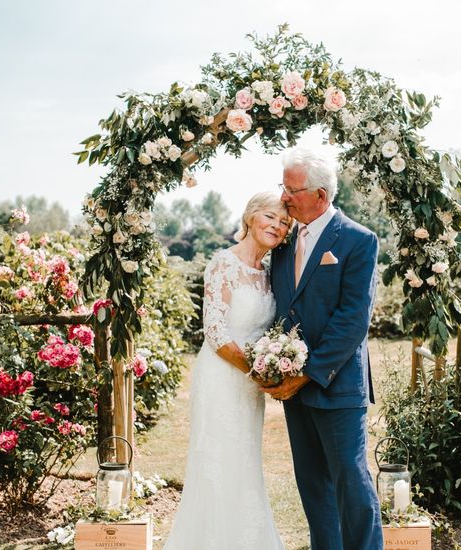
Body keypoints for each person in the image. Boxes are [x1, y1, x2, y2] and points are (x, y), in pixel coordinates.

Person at [263, 147, 384, 550]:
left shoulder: (357, 240)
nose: (283, 197)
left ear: (320, 195)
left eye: (291, 189)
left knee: (351, 482)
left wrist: (307, 373)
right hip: (295, 392)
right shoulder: (282, 245)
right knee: (313, 486)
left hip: (336, 385)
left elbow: (352, 320)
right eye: (283, 187)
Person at [164, 192, 292, 550]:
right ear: (251, 216)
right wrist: (260, 370)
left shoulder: (269, 274)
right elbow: (216, 332)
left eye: (284, 223)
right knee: (218, 459)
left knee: (245, 459)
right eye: (270, 216)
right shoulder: (224, 263)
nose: (277, 226)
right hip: (222, 376)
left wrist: (272, 363)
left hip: (249, 386)